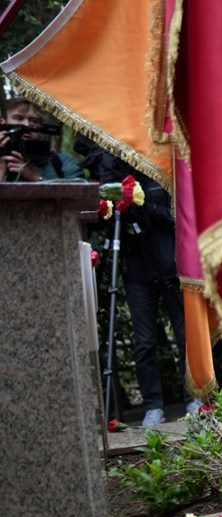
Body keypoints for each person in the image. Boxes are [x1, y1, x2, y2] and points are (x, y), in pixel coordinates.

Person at [90, 149, 201, 426]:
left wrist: (148, 207)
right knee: (144, 343)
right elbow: (103, 216)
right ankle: (153, 406)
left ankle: (194, 397)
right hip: (138, 271)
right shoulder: (118, 173)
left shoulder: (166, 169)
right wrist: (123, 203)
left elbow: (182, 215)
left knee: (185, 335)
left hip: (173, 267)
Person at [0, 97, 82, 182]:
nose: (27, 125)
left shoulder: (61, 161)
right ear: (2, 122)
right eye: (19, 118)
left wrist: (35, 177)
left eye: (34, 121)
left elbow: (82, 188)